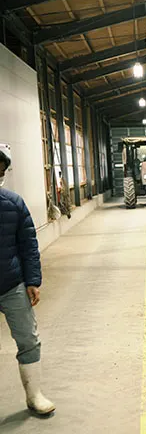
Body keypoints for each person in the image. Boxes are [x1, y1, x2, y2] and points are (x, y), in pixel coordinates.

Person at [0, 146, 55, 415]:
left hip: (11, 284)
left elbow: (28, 244)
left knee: (28, 340)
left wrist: (33, 281)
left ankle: (34, 395)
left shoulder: (13, 203)